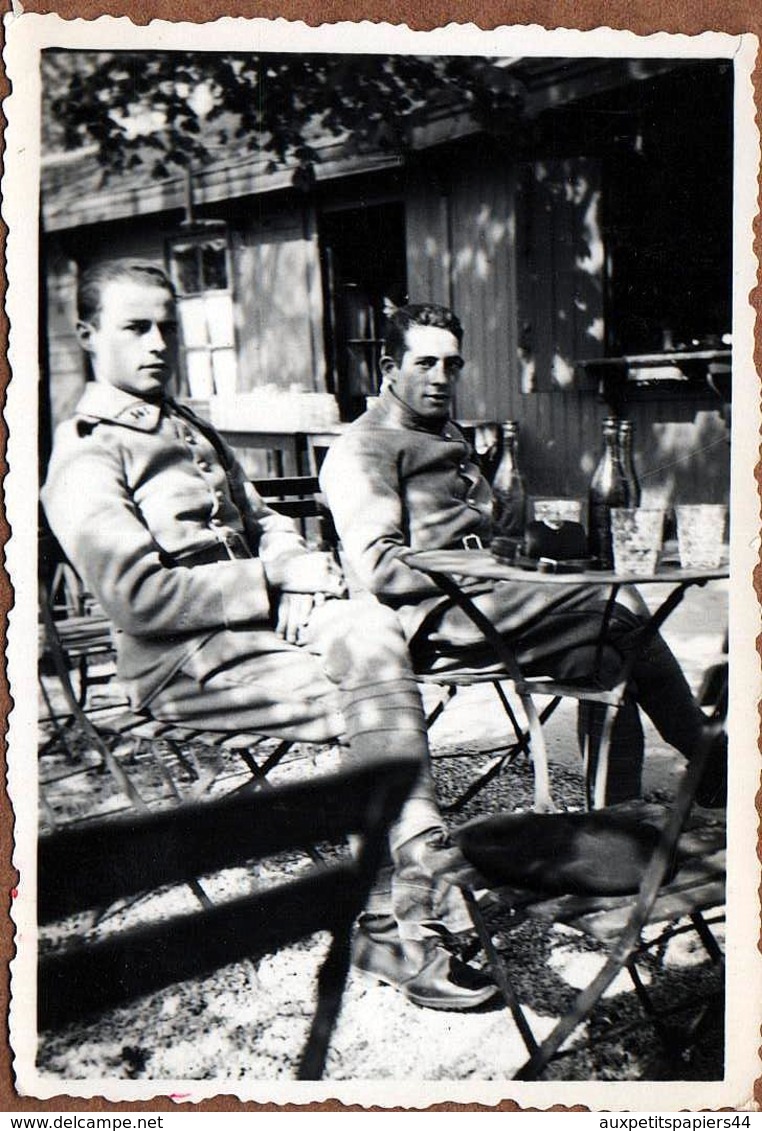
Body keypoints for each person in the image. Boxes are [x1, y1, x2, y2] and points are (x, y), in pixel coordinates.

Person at [41, 261, 499, 1012]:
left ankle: (398, 904)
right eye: (136, 328)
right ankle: (408, 900)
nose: (159, 343)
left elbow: (269, 522)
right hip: (182, 661)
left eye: (168, 326)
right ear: (89, 337)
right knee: (379, 701)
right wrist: (269, 583)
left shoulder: (189, 425)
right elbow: (138, 597)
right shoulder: (87, 451)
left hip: (262, 637)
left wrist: (290, 565)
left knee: (370, 626)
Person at [320, 303, 726, 808]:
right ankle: (715, 759)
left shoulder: (444, 432)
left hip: (492, 600)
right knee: (620, 615)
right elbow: (380, 567)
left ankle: (617, 813)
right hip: (435, 617)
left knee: (604, 653)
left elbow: (492, 530)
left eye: (452, 365)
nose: (441, 378)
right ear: (389, 369)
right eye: (425, 363)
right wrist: (482, 568)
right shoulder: (362, 449)